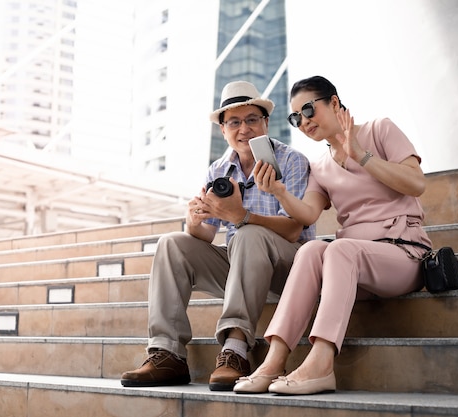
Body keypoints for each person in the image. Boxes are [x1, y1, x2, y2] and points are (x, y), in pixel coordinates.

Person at [233, 75, 432, 395]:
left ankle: (322, 363)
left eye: (309, 110)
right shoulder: (321, 166)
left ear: (335, 103)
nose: (303, 122)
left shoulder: (379, 130)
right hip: (354, 267)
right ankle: (273, 362)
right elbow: (309, 214)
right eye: (295, 117)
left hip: (403, 253)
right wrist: (280, 193)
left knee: (339, 249)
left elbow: (416, 184)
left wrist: (361, 155)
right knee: (310, 251)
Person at [120, 80, 316, 391]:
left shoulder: (291, 161)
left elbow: (294, 229)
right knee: (172, 243)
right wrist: (194, 220)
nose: (244, 129)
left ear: (266, 123)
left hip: (289, 269)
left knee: (248, 234)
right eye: (234, 122)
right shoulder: (218, 171)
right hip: (241, 267)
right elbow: (205, 236)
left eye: (252, 119)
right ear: (223, 130)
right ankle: (167, 353)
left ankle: (236, 350)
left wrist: (243, 217)